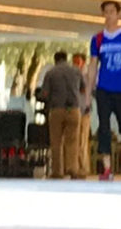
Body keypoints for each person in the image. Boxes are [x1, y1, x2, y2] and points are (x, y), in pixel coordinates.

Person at [90, 1, 121, 179]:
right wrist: (89, 91)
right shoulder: (97, 39)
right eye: (106, 12)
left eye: (112, 11)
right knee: (104, 128)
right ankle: (107, 168)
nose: (109, 15)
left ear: (118, 14)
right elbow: (93, 65)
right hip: (104, 89)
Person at [37, 48, 87, 179]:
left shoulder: (51, 73)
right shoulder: (76, 71)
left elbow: (45, 94)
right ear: (66, 58)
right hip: (74, 110)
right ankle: (72, 169)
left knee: (56, 142)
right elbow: (83, 88)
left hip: (57, 110)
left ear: (55, 60)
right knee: (73, 141)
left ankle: (57, 171)